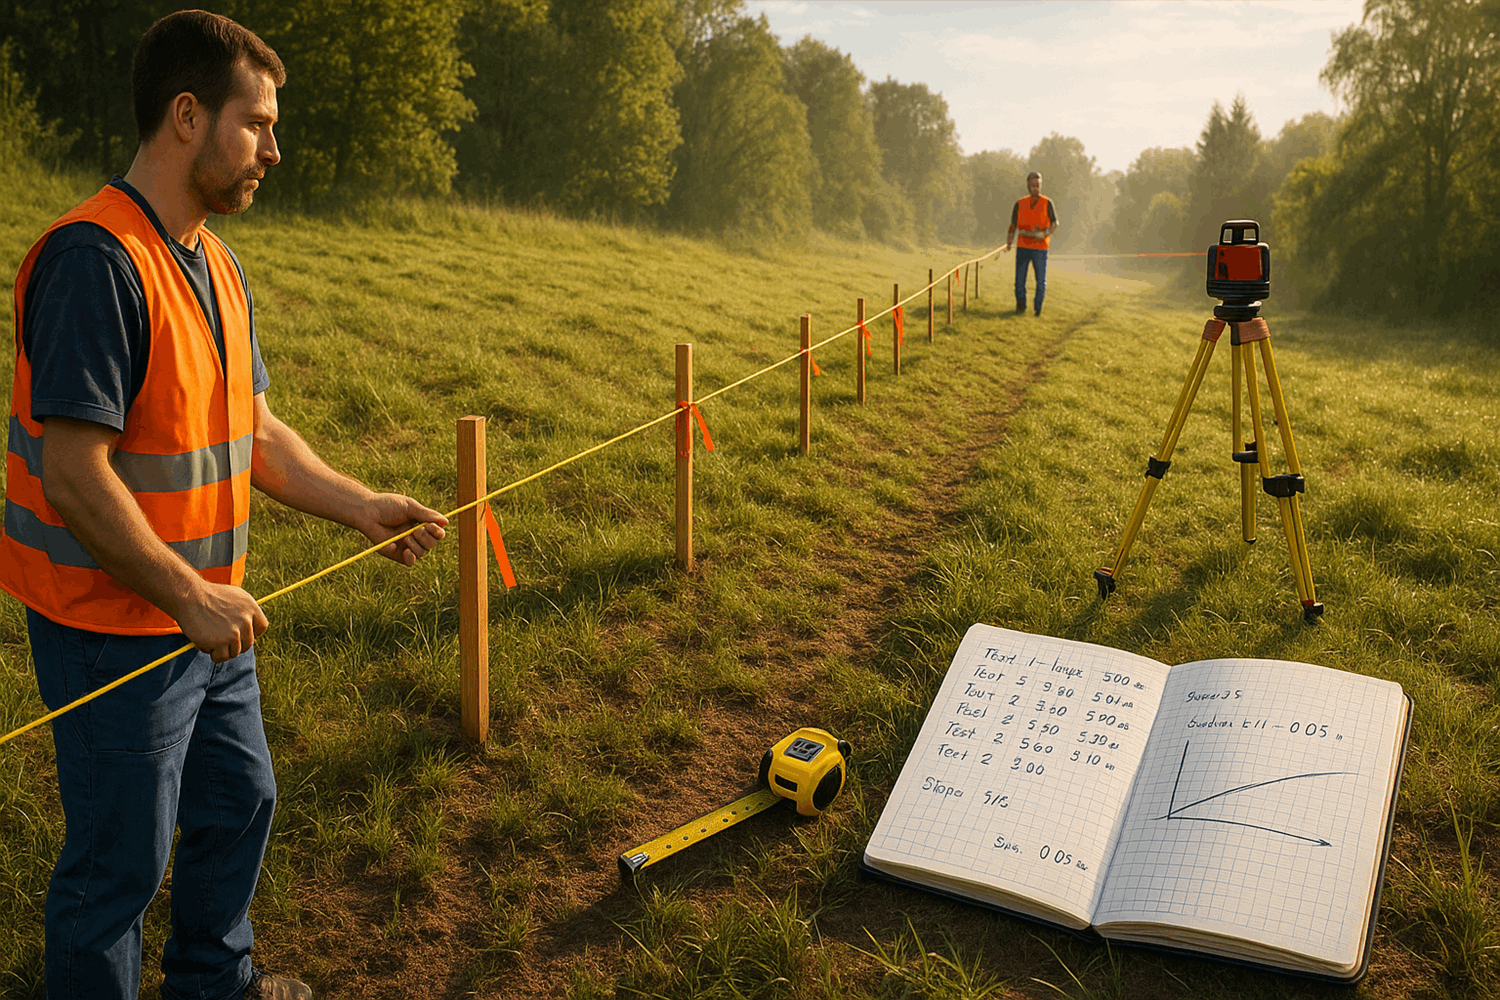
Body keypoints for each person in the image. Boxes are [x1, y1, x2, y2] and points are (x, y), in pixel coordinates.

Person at [0, 11, 447, 1000]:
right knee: (118, 868)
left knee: (239, 799)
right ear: (187, 116)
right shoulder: (94, 260)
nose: (275, 151)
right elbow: (74, 473)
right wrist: (186, 596)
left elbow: (255, 432)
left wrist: (360, 504)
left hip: (201, 618)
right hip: (113, 627)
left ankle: (213, 984)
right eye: (258, 125)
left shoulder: (216, 264)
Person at [1003, 172, 1060, 316]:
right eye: (1033, 185)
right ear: (1028, 186)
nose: (1036, 188)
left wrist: (1045, 234)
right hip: (1023, 247)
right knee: (1019, 281)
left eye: (1038, 185)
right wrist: (1010, 240)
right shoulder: (1020, 203)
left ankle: (1037, 310)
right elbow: (1013, 225)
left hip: (1040, 249)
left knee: (1041, 282)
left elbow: (1055, 223)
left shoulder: (1047, 203)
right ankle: (1020, 308)